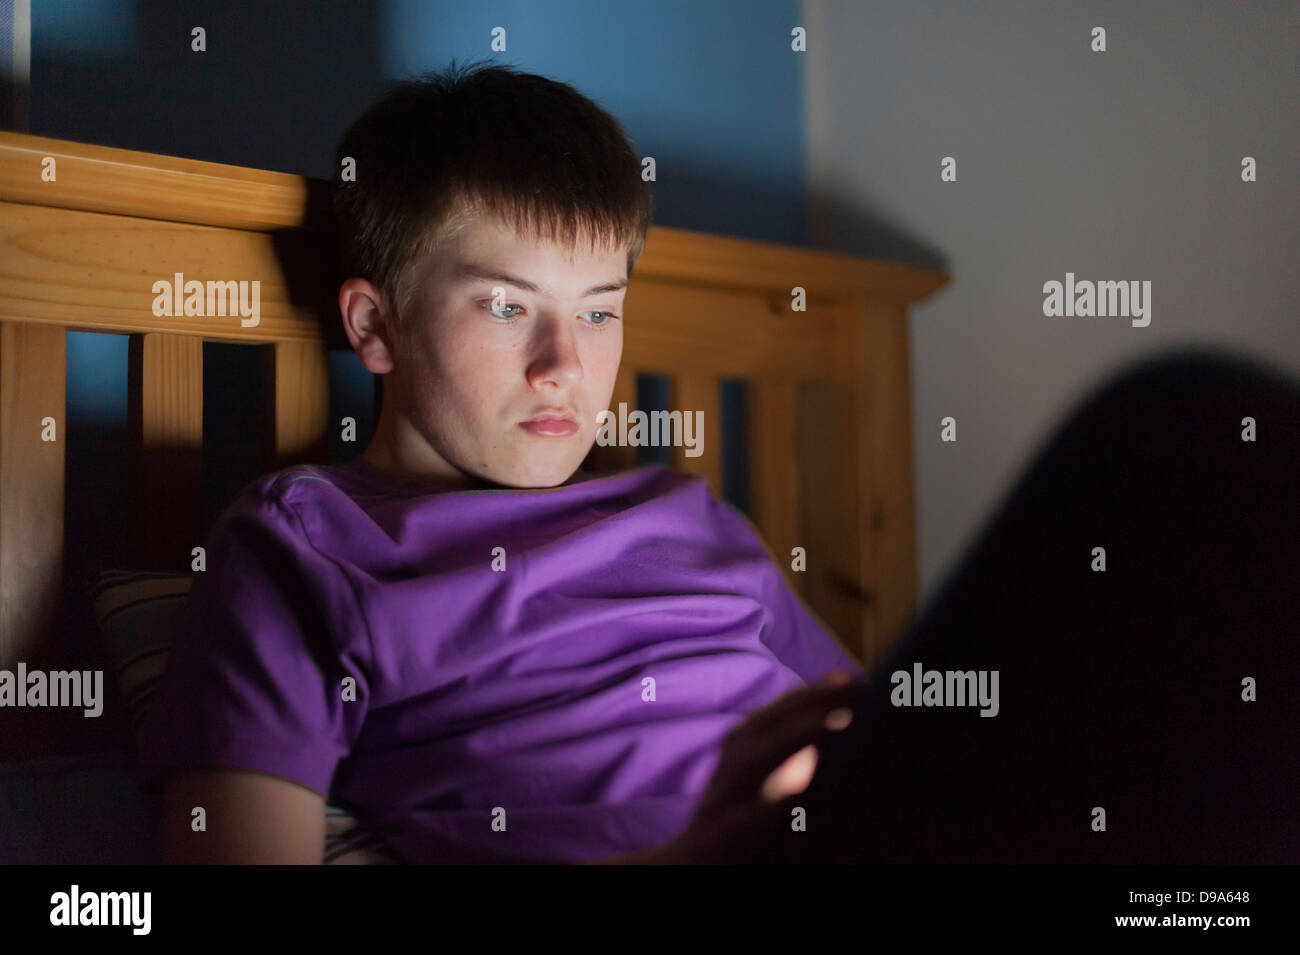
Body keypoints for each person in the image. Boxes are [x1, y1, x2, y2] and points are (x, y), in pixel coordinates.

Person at [137, 59, 862, 865]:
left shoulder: (693, 518)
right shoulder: (305, 547)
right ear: (377, 325)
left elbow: (869, 730)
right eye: (507, 305)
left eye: (597, 312)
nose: (564, 364)